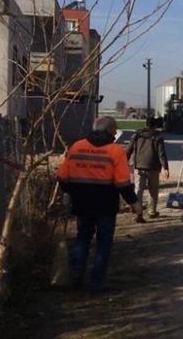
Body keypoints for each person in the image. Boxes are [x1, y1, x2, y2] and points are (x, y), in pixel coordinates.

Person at [57, 116, 143, 292]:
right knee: (103, 244)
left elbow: (63, 177)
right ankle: (96, 284)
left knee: (82, 239)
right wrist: (134, 203)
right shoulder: (116, 151)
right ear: (112, 131)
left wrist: (71, 192)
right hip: (106, 206)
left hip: (82, 204)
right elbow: (123, 183)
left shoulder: (77, 146)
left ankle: (76, 277)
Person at [126, 116, 169, 222]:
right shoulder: (158, 136)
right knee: (153, 190)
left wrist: (124, 162)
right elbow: (161, 154)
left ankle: (138, 214)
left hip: (138, 167)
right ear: (155, 126)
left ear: (145, 124)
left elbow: (128, 150)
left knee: (138, 191)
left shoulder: (136, 135)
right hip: (153, 167)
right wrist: (165, 167)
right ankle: (151, 211)